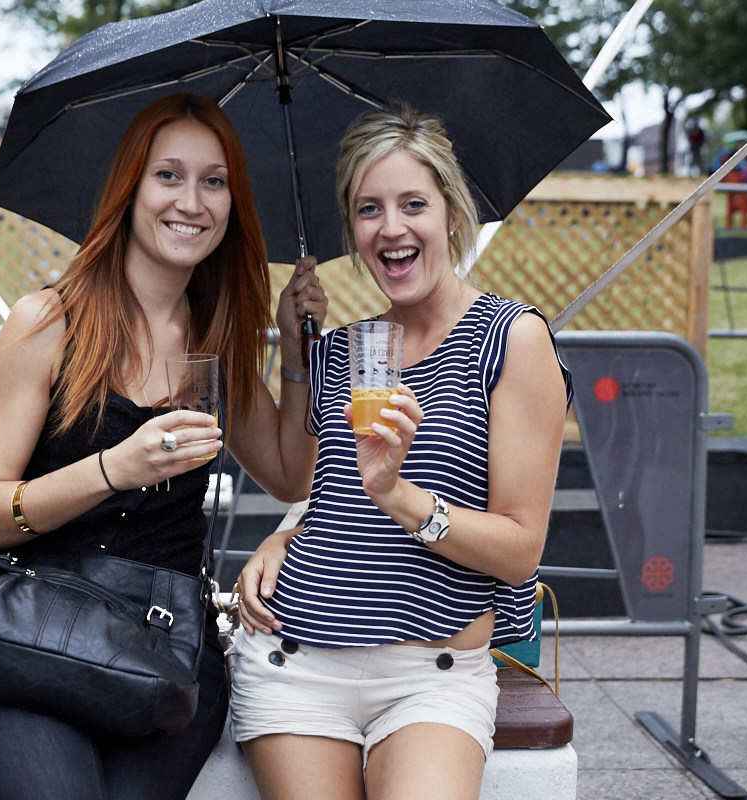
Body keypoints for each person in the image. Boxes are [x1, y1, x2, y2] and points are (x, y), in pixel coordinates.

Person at [0, 93, 326, 800]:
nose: (192, 201)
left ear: (232, 204)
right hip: (33, 629)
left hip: (166, 642)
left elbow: (287, 473)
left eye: (214, 181)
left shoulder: (214, 343)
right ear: (128, 189)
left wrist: (295, 348)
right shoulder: (48, 323)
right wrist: (112, 468)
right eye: (169, 175)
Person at [231, 103, 572, 800]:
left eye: (412, 203)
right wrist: (295, 355)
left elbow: (518, 551)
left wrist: (401, 498)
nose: (390, 228)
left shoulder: (511, 340)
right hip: (296, 661)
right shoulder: (346, 350)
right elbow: (305, 483)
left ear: (450, 211)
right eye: (368, 209)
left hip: (434, 677)